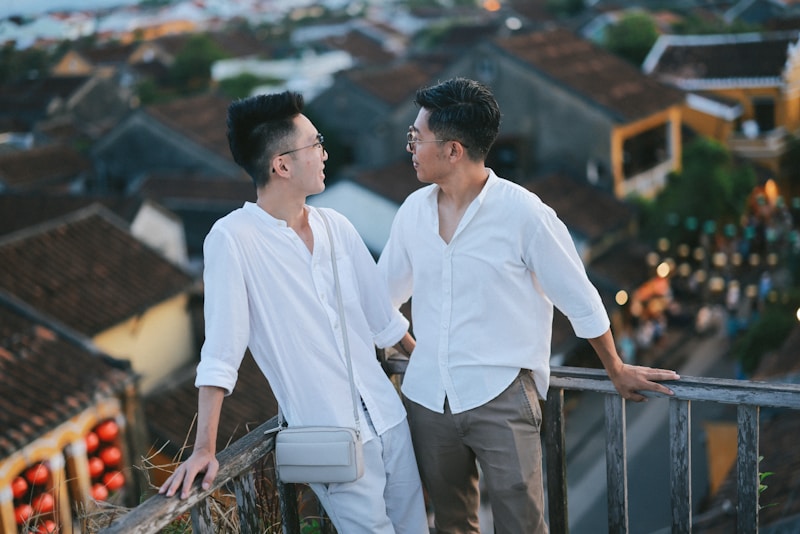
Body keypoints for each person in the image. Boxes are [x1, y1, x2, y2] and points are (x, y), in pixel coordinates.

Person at [377, 77, 681, 534]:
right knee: (450, 524)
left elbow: (580, 298)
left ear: (454, 149)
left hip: (500, 396)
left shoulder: (525, 215)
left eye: (416, 138)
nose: (411, 148)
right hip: (426, 399)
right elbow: (382, 300)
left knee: (522, 524)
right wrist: (413, 348)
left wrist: (616, 368)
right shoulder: (411, 213)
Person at [159, 91, 428, 534]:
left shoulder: (335, 226)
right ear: (281, 165)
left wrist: (435, 385)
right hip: (331, 441)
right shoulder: (233, 239)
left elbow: (386, 322)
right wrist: (204, 448)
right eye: (315, 143)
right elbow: (222, 350)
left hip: (390, 420)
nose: (324, 153)